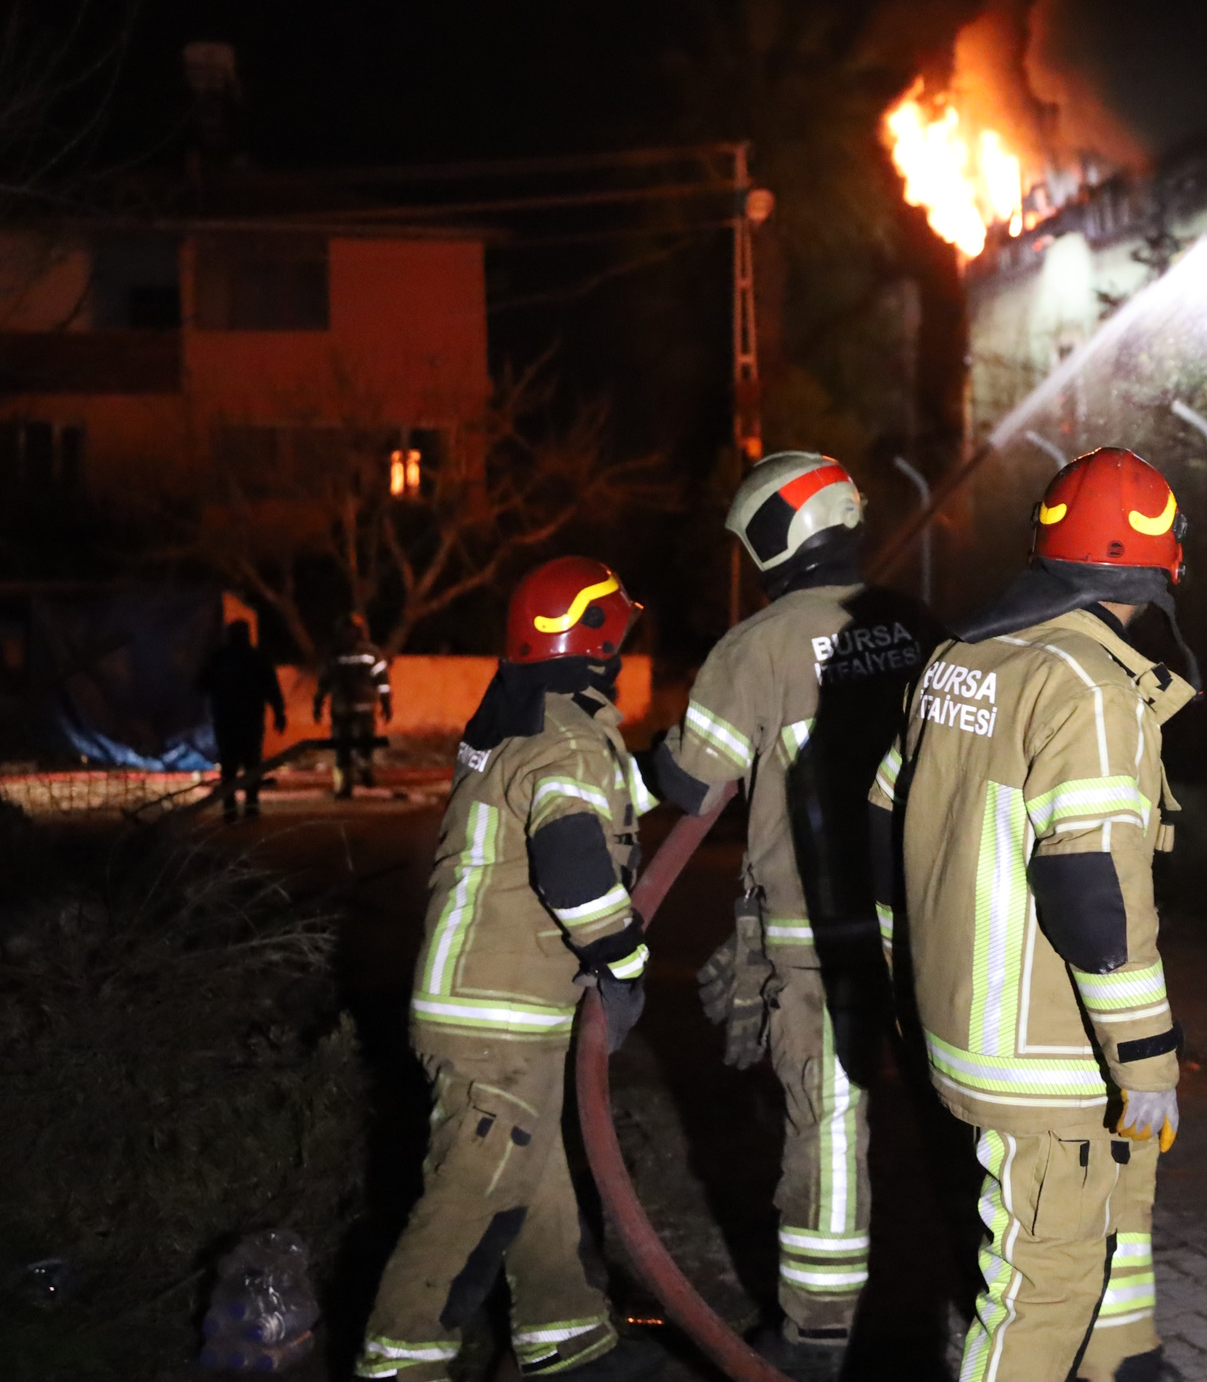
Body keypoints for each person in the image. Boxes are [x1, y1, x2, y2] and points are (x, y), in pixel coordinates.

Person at [870, 447, 1194, 1382]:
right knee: (1042, 1282)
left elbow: (883, 825)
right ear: (1159, 563)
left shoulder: (960, 659)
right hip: (1044, 1051)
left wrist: (909, 989)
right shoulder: (1090, 688)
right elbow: (1094, 890)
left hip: (964, 1021)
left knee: (1113, 1201)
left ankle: (1124, 1362)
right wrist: (1146, 1058)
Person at [644, 452, 936, 1379]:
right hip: (931, 935)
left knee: (830, 1129)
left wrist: (637, 758)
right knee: (947, 1116)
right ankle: (949, 1305)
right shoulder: (915, 624)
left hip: (819, 944)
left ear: (776, 535)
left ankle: (816, 1336)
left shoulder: (759, 645)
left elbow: (691, 782)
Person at [355, 557, 661, 1382]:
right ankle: (399, 1361)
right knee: (473, 1199)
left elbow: (608, 794)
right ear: (599, 640)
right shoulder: (569, 735)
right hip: (500, 1014)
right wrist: (624, 960)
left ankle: (567, 1338)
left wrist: (685, 767)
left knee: (531, 1173)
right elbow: (572, 857)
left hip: (481, 1004)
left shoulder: (529, 720)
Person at [195, 619, 287, 820]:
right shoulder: (256, 658)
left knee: (230, 767)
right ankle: (250, 806)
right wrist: (279, 713)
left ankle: (231, 809)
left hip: (227, 720)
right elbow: (272, 688)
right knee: (251, 765)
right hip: (249, 721)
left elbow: (200, 685)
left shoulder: (219, 658)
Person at [315, 611, 392, 797]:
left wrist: (386, 703)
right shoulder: (342, 654)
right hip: (346, 709)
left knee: (358, 745)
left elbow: (382, 681)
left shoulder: (365, 653)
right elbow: (324, 681)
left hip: (354, 708)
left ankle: (360, 772)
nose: (347, 634)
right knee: (345, 748)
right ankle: (349, 782)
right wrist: (318, 703)